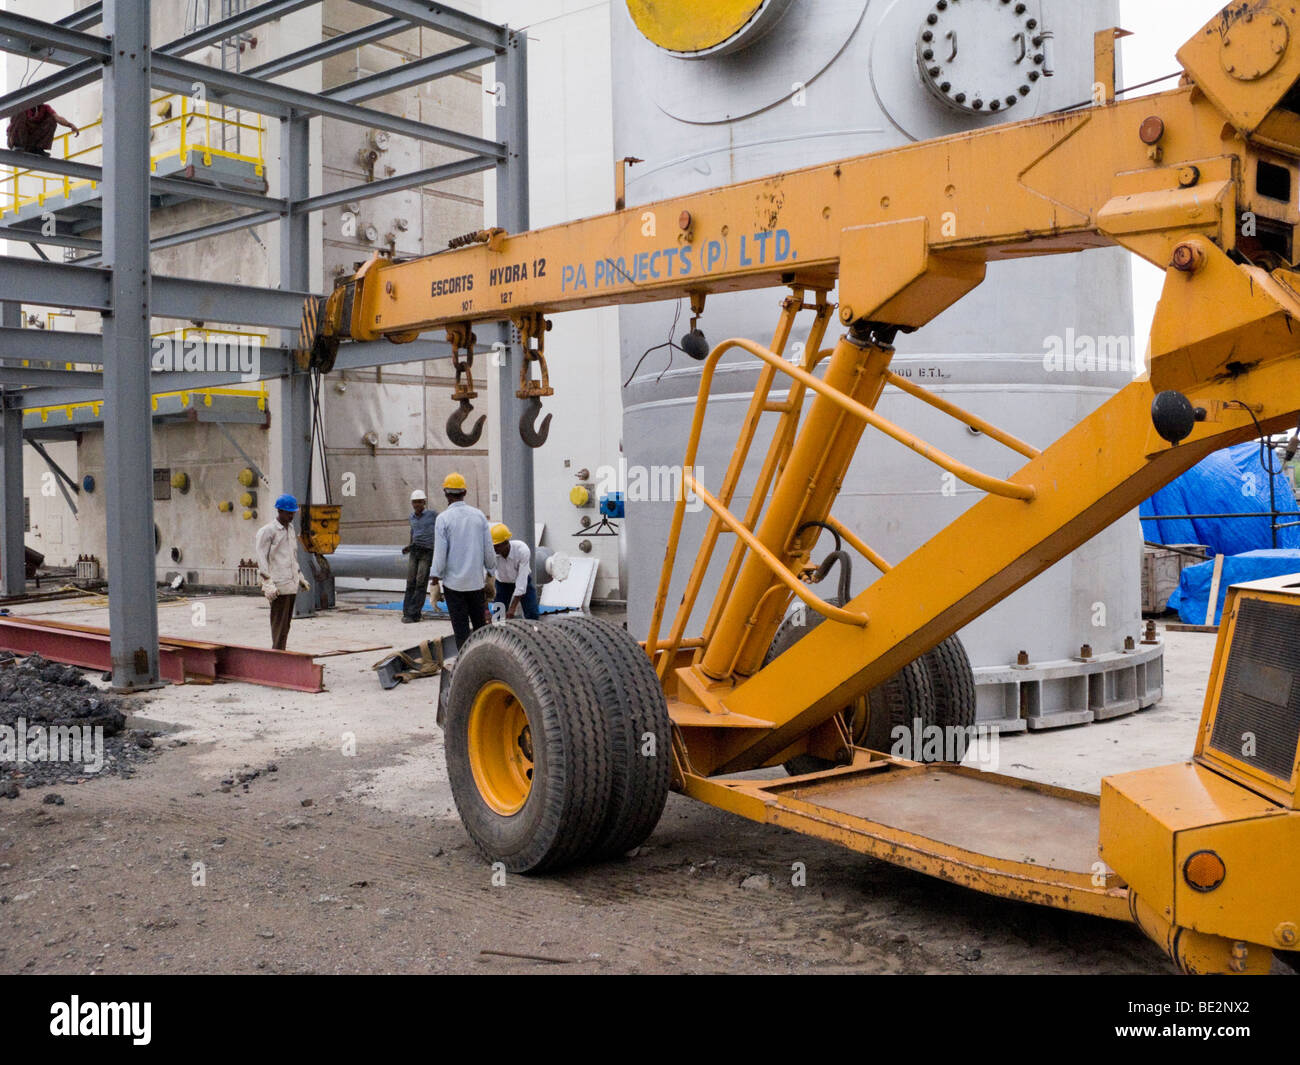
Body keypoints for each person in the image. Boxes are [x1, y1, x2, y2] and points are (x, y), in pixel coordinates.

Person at [430, 472, 496, 649]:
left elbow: (440, 554)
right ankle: (483, 664)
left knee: (461, 632)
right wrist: (490, 574)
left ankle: (465, 667)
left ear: (446, 493)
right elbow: (489, 550)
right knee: (481, 630)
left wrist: (434, 581)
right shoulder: (479, 516)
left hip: (454, 586)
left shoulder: (443, 519)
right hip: (476, 584)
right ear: (464, 492)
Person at [255, 494, 310, 651]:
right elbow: (261, 557)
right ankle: (277, 654)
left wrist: (300, 577)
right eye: (288, 512)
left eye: (293, 512)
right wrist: (267, 582)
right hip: (278, 585)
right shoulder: (268, 531)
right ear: (279, 511)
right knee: (279, 623)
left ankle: (281, 651)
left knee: (285, 624)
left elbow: (292, 556)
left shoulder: (291, 529)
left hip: (290, 583)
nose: (291, 515)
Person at [400, 488, 437, 623]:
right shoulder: (411, 517)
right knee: (410, 582)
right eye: (414, 503)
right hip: (415, 551)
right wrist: (408, 547)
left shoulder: (433, 515)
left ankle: (414, 613)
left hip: (427, 551)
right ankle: (407, 612)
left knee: (421, 582)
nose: (417, 505)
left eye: (419, 502)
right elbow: (413, 533)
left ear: (424, 502)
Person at [490, 523, 540, 620]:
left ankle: (533, 632)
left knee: (532, 613)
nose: (494, 549)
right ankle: (498, 633)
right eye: (493, 545)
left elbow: (521, 582)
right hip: (502, 584)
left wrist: (512, 608)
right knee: (498, 616)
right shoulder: (491, 553)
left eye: (497, 546)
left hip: (523, 581)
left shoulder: (522, 550)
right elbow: (486, 574)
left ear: (506, 543)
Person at [6, 104, 79, 157]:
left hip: (31, 141)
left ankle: (38, 148)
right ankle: (18, 145)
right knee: (19, 112)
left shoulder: (45, 108)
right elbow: (15, 120)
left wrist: (70, 125)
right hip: (16, 139)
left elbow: (57, 118)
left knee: (52, 119)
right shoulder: (23, 106)